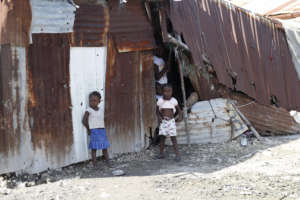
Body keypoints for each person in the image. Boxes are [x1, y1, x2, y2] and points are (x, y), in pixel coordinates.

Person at [82, 91, 110, 167]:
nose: (92, 102)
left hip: (102, 130)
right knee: (94, 148)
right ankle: (95, 164)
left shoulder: (101, 110)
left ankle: (108, 162)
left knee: (105, 147)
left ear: (99, 101)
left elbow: (102, 119)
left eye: (95, 101)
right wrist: (89, 129)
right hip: (94, 131)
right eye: (91, 100)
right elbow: (84, 121)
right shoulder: (89, 110)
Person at [156, 84, 183, 161]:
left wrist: (180, 116)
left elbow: (179, 110)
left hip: (171, 122)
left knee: (173, 138)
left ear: (172, 92)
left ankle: (177, 155)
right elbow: (157, 111)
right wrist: (159, 118)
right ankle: (161, 154)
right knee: (162, 138)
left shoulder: (173, 101)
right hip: (164, 122)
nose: (167, 93)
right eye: (165, 91)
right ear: (162, 92)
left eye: (169, 91)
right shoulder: (160, 101)